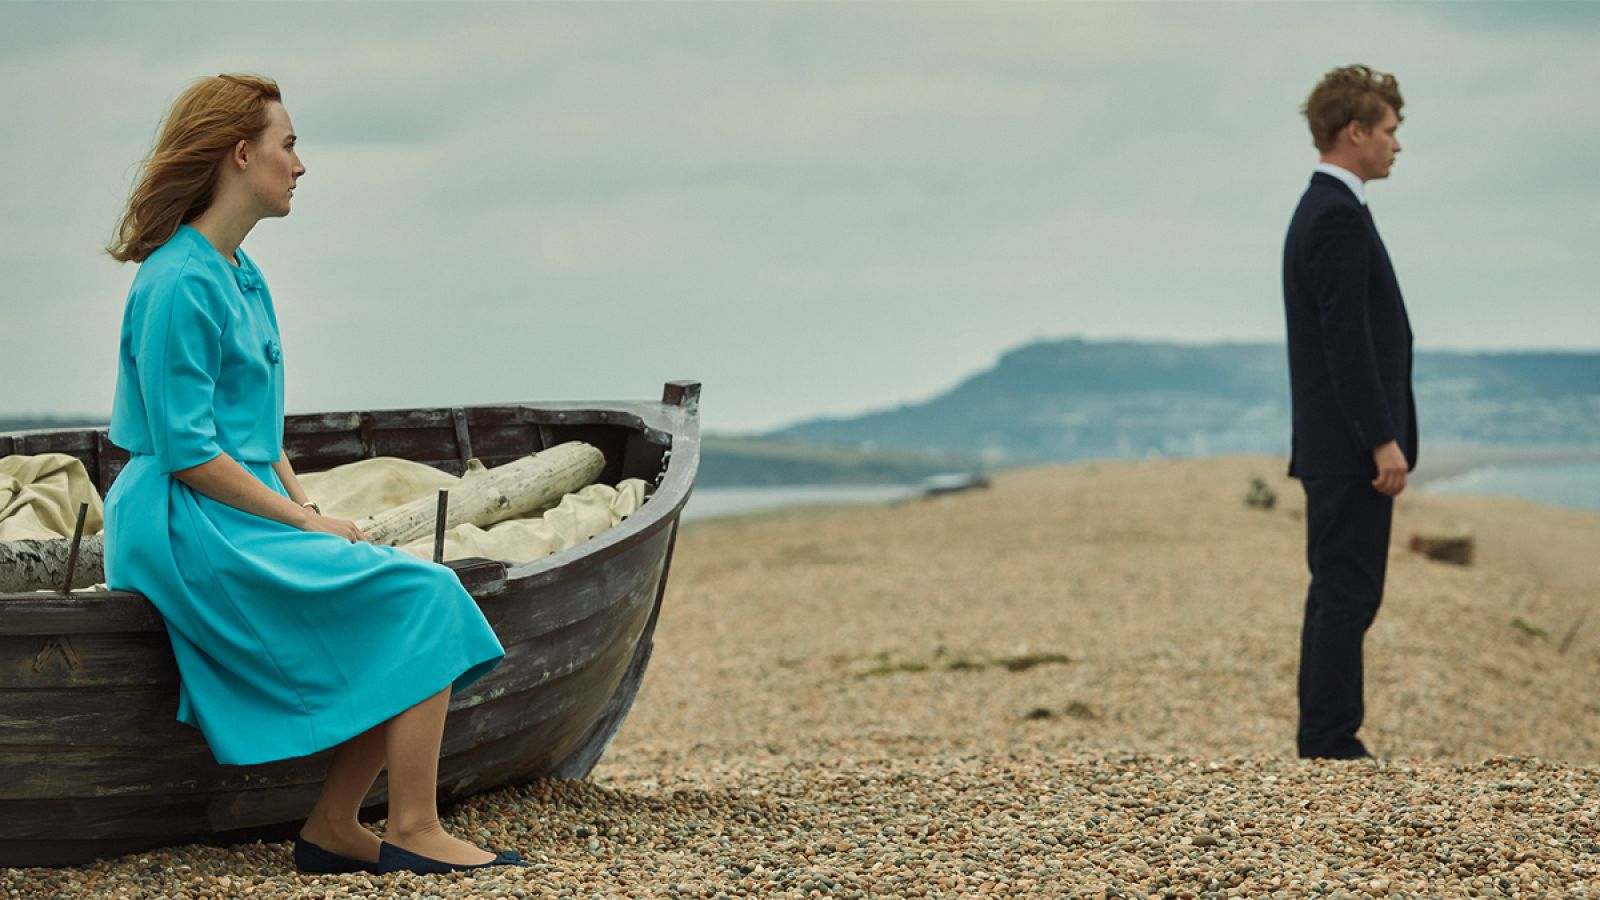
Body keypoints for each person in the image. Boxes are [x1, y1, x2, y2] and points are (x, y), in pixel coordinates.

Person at [102, 74, 526, 874]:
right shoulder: (180, 281)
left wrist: (306, 501)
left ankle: (334, 826)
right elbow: (188, 450)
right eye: (289, 144)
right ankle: (413, 826)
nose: (302, 165)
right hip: (180, 525)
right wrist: (298, 525)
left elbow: (250, 431)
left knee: (389, 599)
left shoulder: (239, 272)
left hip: (227, 510)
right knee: (423, 594)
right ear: (241, 154)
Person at [1281, 64, 1417, 760]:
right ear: (1353, 131)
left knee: (1340, 589)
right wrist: (1380, 440)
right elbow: (1347, 342)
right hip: (1348, 449)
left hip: (1340, 446)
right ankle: (1330, 741)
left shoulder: (1333, 208)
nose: (1398, 144)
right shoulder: (1334, 215)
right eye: (1390, 131)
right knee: (1347, 592)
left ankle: (1327, 734)